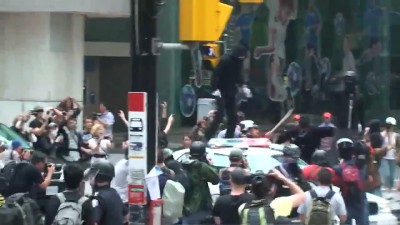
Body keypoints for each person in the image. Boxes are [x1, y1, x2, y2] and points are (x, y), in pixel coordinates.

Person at [210, 45, 252, 139]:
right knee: (220, 114)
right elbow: (216, 74)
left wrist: (243, 86)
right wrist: (214, 88)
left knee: (233, 117)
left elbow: (238, 75)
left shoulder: (239, 62)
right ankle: (209, 135)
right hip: (220, 90)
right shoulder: (225, 60)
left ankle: (229, 137)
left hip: (231, 91)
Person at [238, 169, 306, 224]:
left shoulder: (243, 208)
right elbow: (303, 196)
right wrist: (283, 178)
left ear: (252, 189)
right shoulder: (279, 203)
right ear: (271, 190)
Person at [181, 141, 220, 225]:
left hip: (185, 206)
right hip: (199, 207)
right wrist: (210, 165)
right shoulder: (201, 166)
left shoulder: (182, 164)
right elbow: (215, 179)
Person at [333, 138, 369, 225]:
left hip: (345, 201)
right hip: (361, 201)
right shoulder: (361, 166)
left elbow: (336, 183)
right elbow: (367, 180)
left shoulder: (337, 168)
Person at [90, 159, 128, 225]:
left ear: (96, 177)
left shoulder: (97, 198)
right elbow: (126, 217)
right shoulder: (114, 193)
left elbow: (94, 222)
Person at [381, 117, 399, 191]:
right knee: (386, 173)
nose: (390, 127)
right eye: (389, 125)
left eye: (391, 126)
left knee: (392, 175)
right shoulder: (382, 134)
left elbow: (398, 146)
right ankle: (386, 186)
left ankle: (390, 187)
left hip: (392, 157)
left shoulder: (396, 135)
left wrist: (398, 155)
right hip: (384, 156)